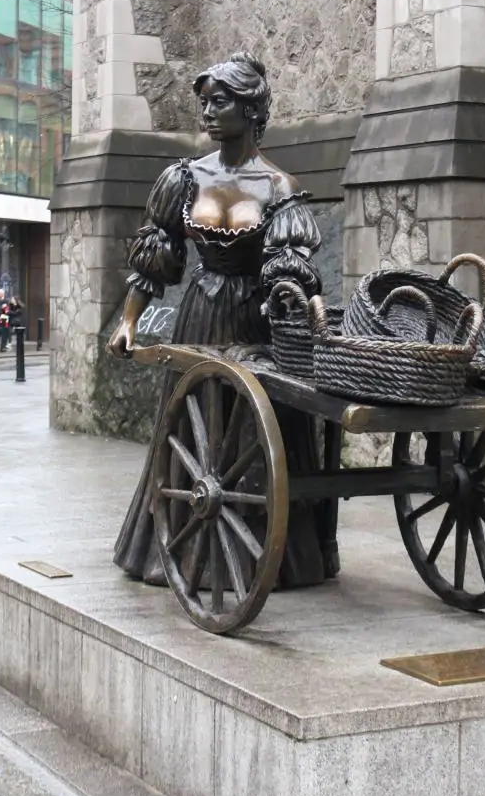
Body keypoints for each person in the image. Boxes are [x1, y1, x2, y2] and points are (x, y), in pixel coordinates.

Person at [106, 52, 338, 589]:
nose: (208, 112)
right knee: (192, 428)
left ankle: (270, 555)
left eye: (221, 101)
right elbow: (156, 259)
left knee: (260, 431)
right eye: (204, 102)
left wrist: (288, 290)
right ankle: (180, 546)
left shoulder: (279, 186)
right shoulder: (184, 178)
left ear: (252, 109)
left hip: (259, 321)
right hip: (201, 314)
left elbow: (292, 265)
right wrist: (129, 321)